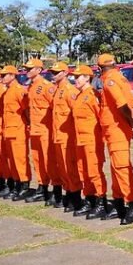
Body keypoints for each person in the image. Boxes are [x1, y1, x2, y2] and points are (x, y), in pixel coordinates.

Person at [97, 54, 133, 225]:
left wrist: (129, 123)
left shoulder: (110, 81)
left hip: (116, 130)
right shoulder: (119, 78)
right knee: (116, 168)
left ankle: (132, 205)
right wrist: (132, 122)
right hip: (115, 130)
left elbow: (122, 105)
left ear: (100, 68)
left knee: (122, 168)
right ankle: (118, 202)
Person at [70, 65, 109, 219]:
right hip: (80, 140)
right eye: (74, 76)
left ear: (87, 77)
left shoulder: (93, 95)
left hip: (92, 140)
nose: (75, 79)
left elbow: (101, 117)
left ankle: (101, 202)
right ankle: (89, 199)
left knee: (94, 172)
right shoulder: (79, 96)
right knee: (83, 171)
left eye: (78, 76)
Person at [22, 58, 58, 204]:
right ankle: (42, 187)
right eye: (26, 69)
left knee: (50, 161)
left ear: (38, 70)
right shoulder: (30, 87)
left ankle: (56, 190)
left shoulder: (46, 86)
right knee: (37, 160)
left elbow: (55, 108)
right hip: (35, 129)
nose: (27, 71)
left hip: (46, 130)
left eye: (30, 69)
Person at [48, 62, 80, 209]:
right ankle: (68, 193)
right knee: (62, 168)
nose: (53, 75)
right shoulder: (57, 90)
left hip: (68, 137)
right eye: (52, 73)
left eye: (56, 72)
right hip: (58, 136)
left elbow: (77, 113)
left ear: (65, 73)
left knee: (70, 169)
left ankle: (75, 197)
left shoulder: (69, 90)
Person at [0, 65, 31, 200]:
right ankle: (17, 185)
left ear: (12, 75)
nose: (2, 78)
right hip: (9, 131)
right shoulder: (7, 92)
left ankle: (24, 185)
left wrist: (29, 124)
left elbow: (26, 110)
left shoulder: (19, 90)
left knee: (20, 159)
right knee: (12, 160)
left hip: (18, 131)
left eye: (4, 75)